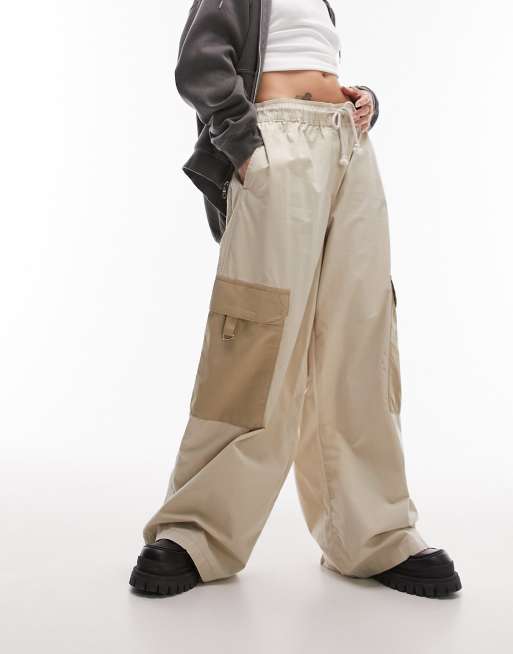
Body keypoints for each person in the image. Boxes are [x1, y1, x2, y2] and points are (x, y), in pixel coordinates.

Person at [129, 0, 461, 599]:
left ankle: (372, 535)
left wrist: (362, 100)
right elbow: (200, 63)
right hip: (275, 142)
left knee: (360, 334)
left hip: (349, 148)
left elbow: (309, 61)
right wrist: (245, 143)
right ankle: (197, 531)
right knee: (254, 344)